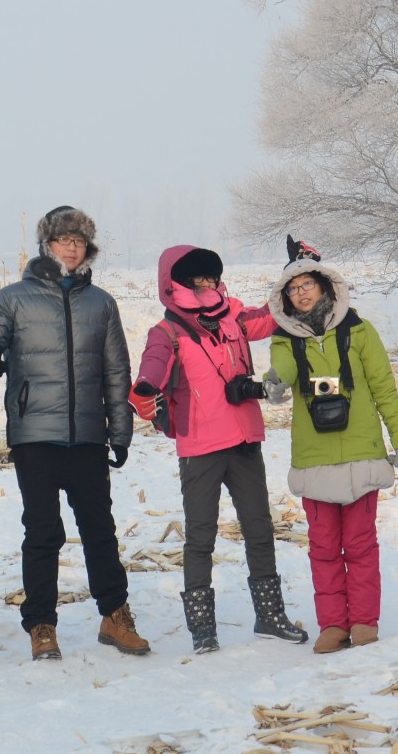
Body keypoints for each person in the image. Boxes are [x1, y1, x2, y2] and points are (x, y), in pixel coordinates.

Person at [0, 206, 148, 662]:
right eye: (64, 239)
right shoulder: (14, 298)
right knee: (43, 531)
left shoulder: (101, 303)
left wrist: (120, 432)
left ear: (88, 249)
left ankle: (115, 615)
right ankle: (42, 624)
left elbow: (116, 372)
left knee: (100, 529)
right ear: (47, 245)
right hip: (35, 435)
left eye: (79, 241)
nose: (71, 247)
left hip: (87, 435)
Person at [131, 245, 309, 653]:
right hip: (201, 445)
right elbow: (152, 368)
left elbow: (274, 316)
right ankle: (202, 628)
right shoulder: (167, 333)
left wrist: (297, 270)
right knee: (200, 537)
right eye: (198, 279)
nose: (207, 285)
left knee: (260, 529)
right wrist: (144, 391)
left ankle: (269, 616)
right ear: (174, 283)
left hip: (245, 437)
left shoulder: (234, 316)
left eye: (211, 278)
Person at [265, 237, 398, 653]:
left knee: (362, 545)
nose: (300, 294)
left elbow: (385, 388)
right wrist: (274, 381)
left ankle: (365, 621)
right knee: (324, 548)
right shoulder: (285, 339)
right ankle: (333, 625)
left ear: (324, 286)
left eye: (306, 285)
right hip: (314, 458)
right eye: (292, 290)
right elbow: (284, 368)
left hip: (361, 453)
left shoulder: (360, 331)